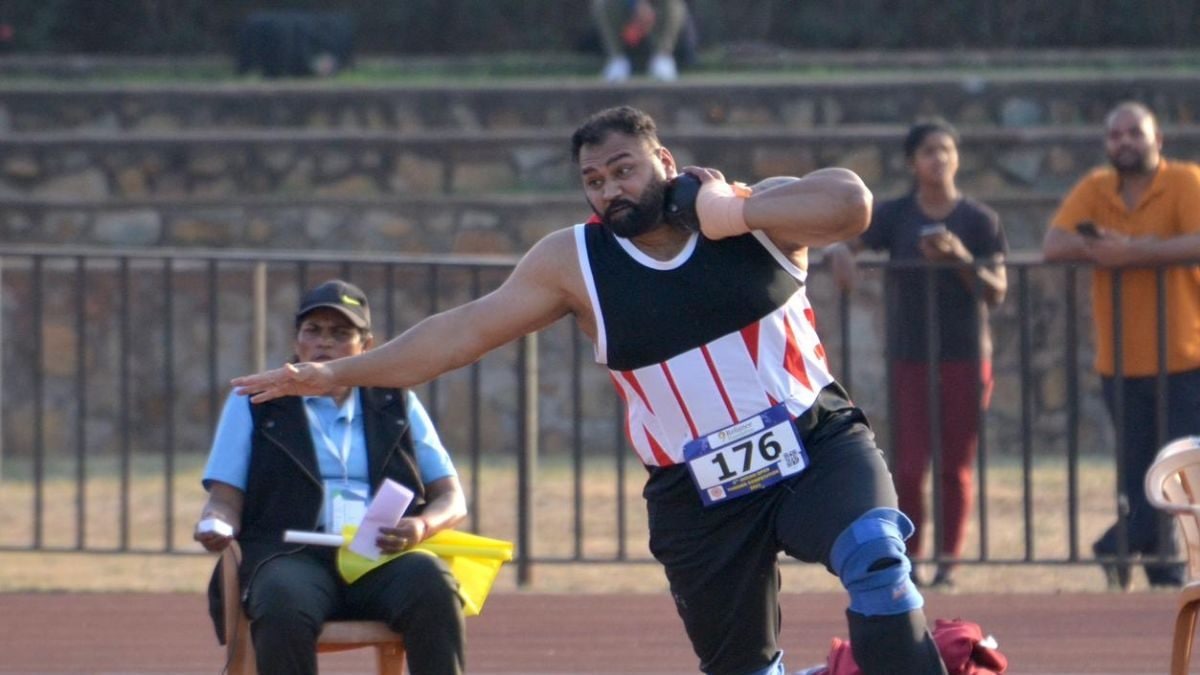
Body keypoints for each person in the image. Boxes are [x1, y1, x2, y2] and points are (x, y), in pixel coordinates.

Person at [232, 106, 948, 675]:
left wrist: (732, 211)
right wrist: (335, 373)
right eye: (595, 180)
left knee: (877, 558)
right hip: (698, 491)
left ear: (665, 161)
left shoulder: (750, 215)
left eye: (623, 170)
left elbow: (850, 203)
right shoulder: (574, 261)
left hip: (813, 444)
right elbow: (460, 333)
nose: (610, 190)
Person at [194, 279, 469, 675]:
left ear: (367, 347)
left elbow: (451, 498)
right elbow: (224, 498)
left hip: (378, 556)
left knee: (434, 584)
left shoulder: (396, 401)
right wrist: (215, 523)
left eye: (341, 334)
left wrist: (422, 526)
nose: (324, 343)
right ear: (297, 341)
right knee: (282, 597)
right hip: (291, 555)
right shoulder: (256, 402)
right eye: (314, 331)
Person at [824, 119, 1008, 588]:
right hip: (909, 352)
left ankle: (949, 560)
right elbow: (851, 241)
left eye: (946, 149)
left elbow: (996, 291)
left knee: (955, 465)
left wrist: (958, 258)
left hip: (965, 353)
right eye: (929, 151)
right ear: (912, 162)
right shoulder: (896, 215)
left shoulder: (980, 220)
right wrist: (841, 253)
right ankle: (911, 557)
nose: (939, 159)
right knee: (908, 464)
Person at [1043, 101, 1200, 591]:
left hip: (1184, 355)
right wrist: (1102, 249)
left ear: (1159, 140)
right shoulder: (1095, 189)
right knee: (1136, 477)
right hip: (1121, 360)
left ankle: (1122, 545)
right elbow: (1053, 244)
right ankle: (1162, 572)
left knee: (1175, 470)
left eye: (1135, 133)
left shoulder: (1186, 182)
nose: (1125, 142)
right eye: (1115, 135)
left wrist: (1133, 253)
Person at [591, 0, 689, 82]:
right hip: (627, 22)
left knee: (672, 3)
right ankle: (617, 60)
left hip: (659, 19)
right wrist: (635, 3)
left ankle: (663, 58)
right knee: (603, 3)